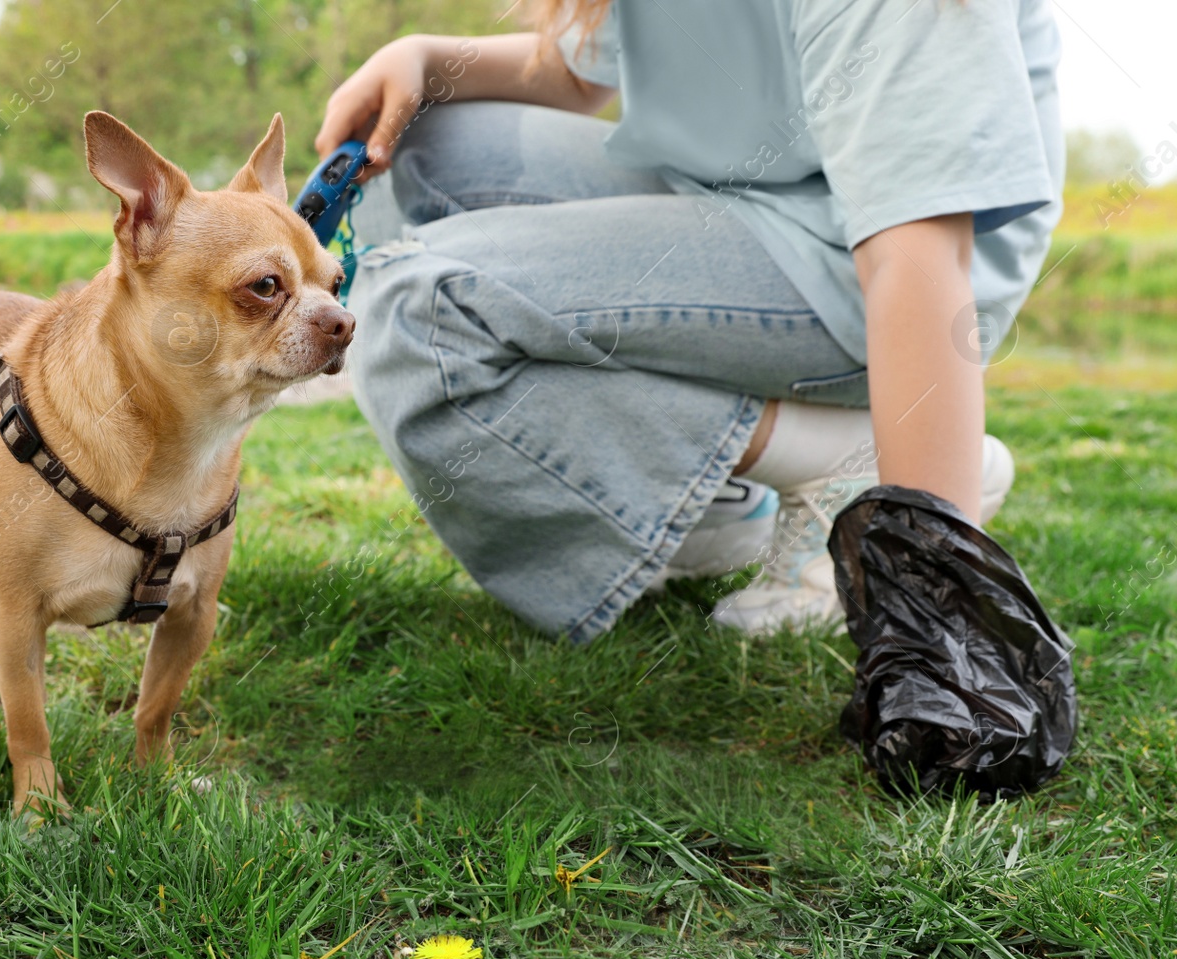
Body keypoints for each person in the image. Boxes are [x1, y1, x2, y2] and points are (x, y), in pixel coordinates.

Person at [317, 0, 1061, 644]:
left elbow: (918, 257)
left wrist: (940, 583)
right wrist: (420, 56)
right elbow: (577, 72)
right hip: (726, 196)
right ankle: (712, 511)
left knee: (420, 306)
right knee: (422, 146)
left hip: (864, 267)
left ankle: (842, 462)